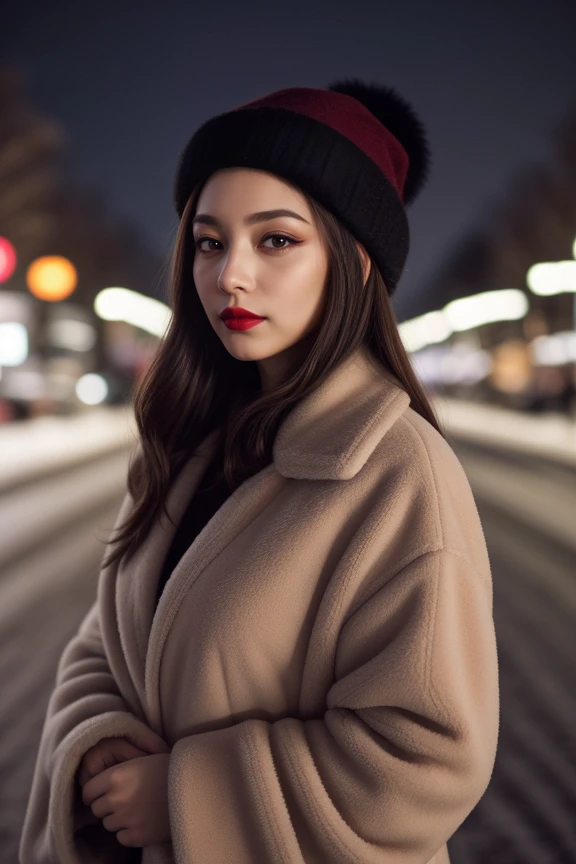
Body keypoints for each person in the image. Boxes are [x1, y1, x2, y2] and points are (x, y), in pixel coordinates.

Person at [20, 78, 500, 864]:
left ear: (358, 259)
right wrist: (101, 741)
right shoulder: (188, 443)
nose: (230, 275)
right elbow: (104, 644)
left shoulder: (401, 473)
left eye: (275, 240)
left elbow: (429, 755)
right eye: (210, 241)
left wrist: (185, 795)